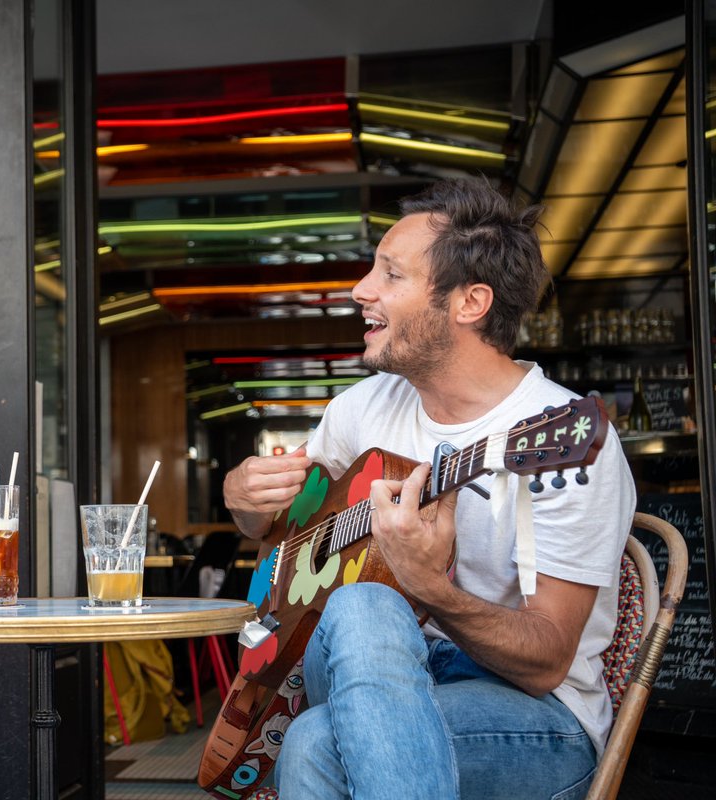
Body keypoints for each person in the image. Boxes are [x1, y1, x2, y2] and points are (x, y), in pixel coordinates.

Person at [223, 178, 634, 799]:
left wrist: (425, 585)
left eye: (390, 274)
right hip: (367, 677)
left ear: (469, 302)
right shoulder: (360, 410)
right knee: (362, 611)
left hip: (536, 719)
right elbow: (279, 535)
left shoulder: (560, 439)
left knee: (314, 737)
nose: (361, 290)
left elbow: (548, 660)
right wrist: (244, 500)